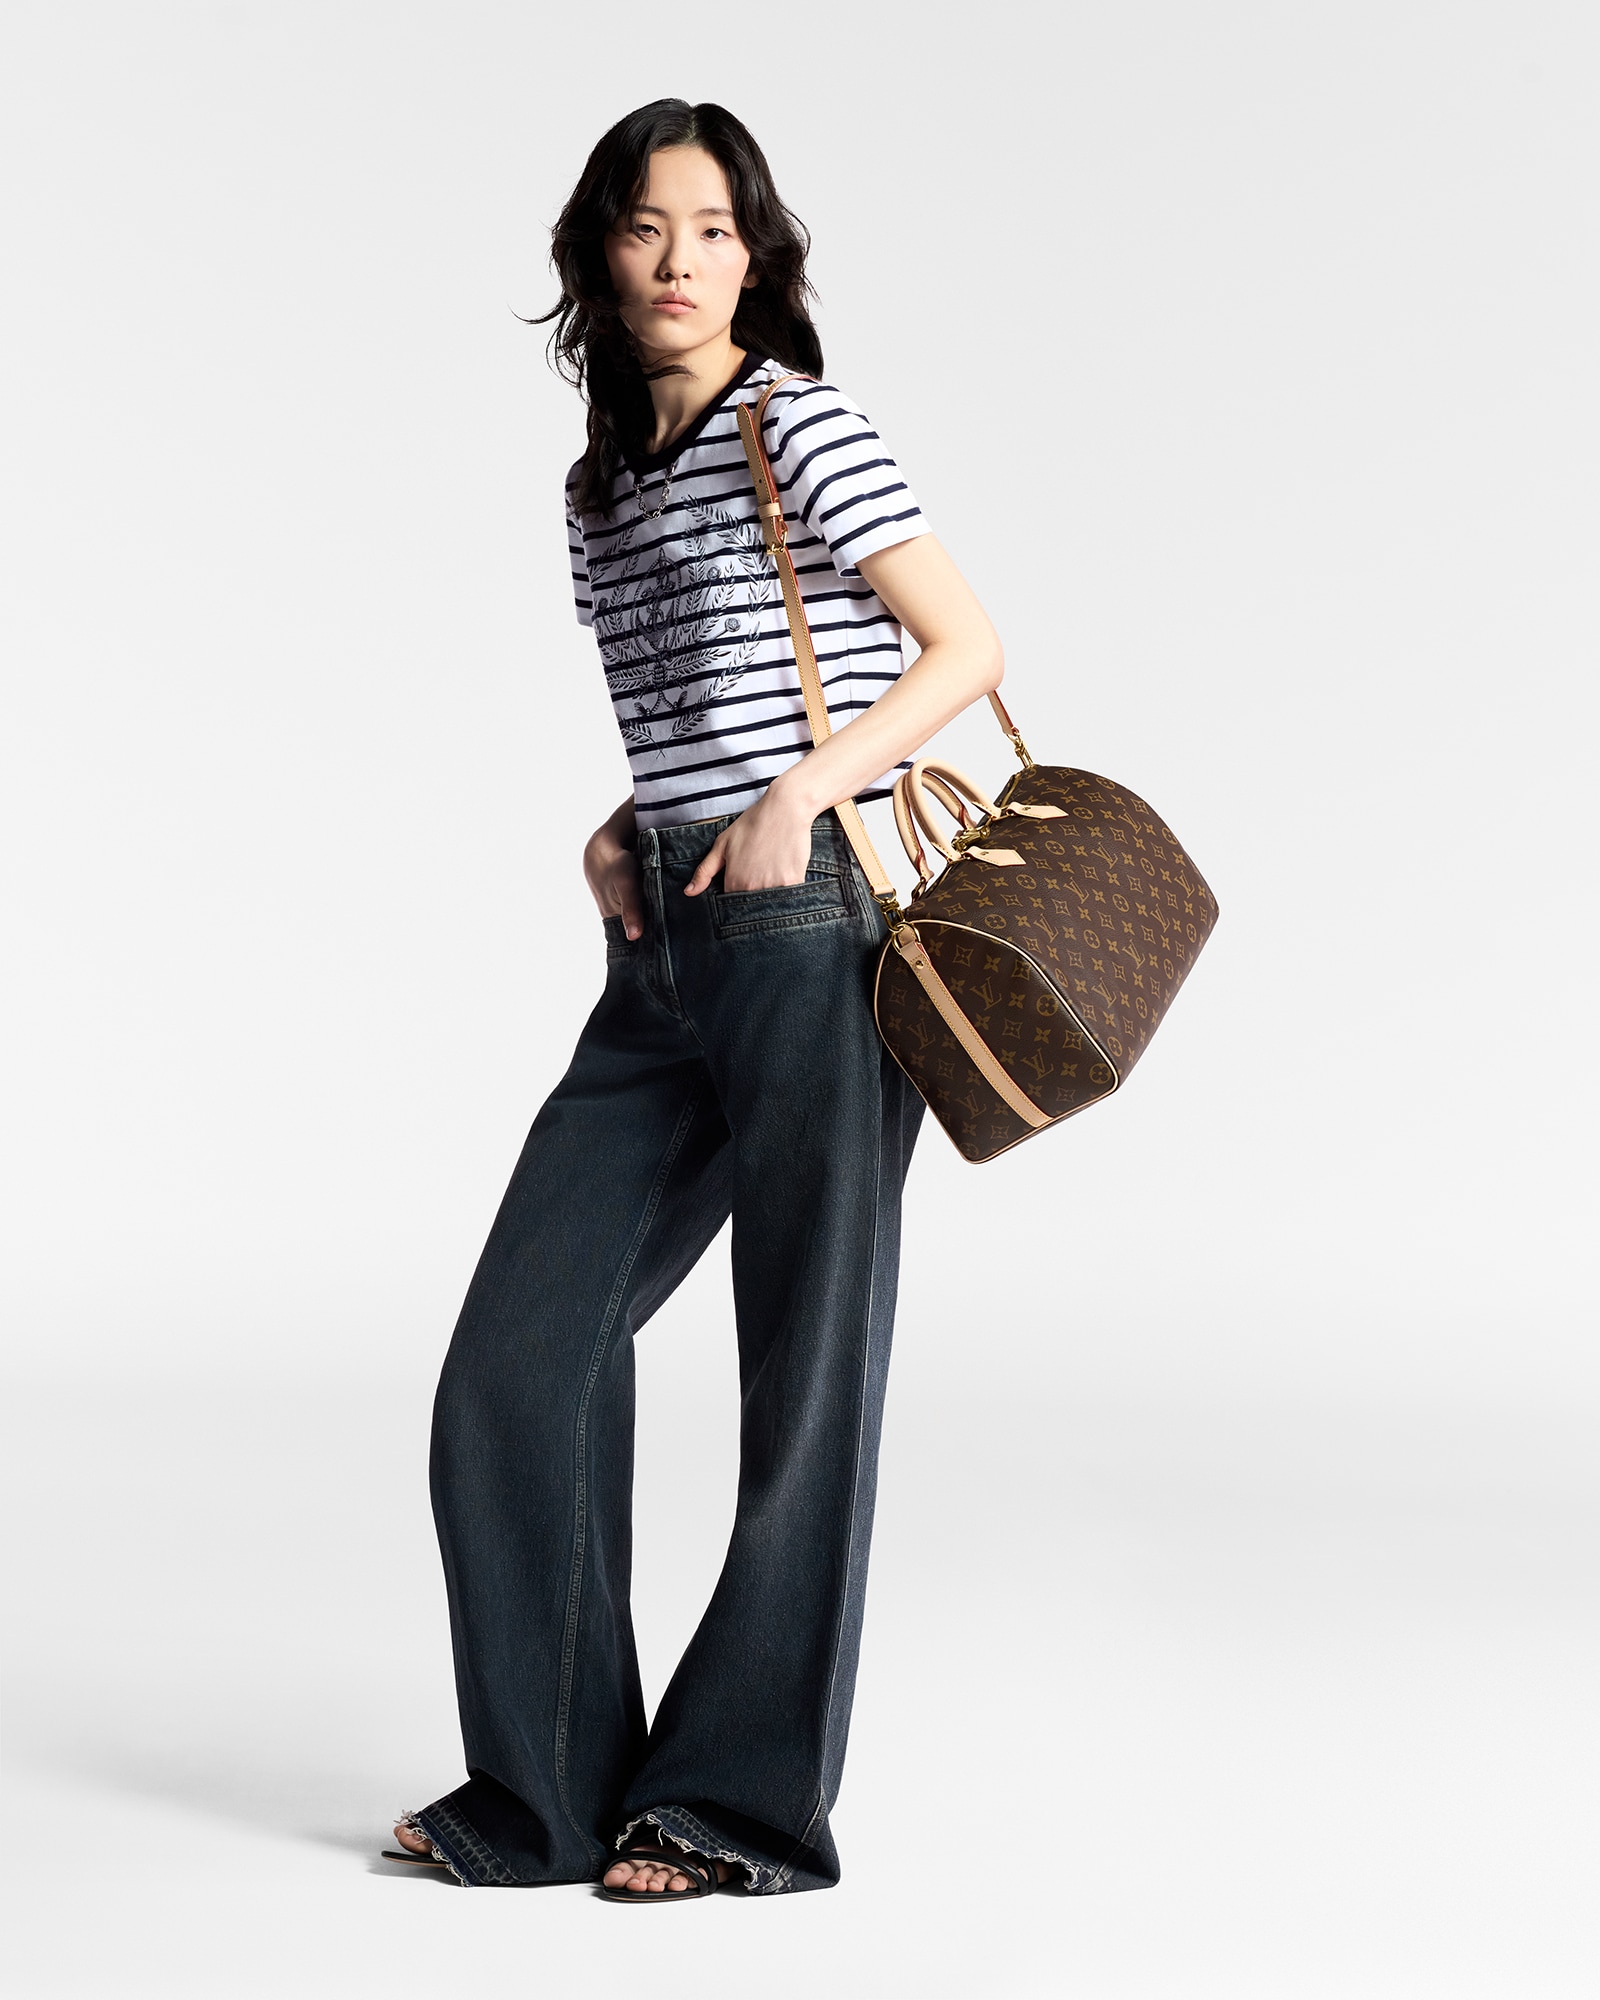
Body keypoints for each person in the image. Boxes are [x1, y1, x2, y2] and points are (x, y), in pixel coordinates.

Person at [387, 97, 1002, 1900]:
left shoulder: (797, 422)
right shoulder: (601, 492)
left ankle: (735, 1807)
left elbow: (965, 646)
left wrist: (802, 794)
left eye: (715, 229)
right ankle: (550, 1794)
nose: (680, 260)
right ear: (599, 251)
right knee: (518, 1356)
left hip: (816, 933)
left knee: (802, 1375)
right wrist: (628, 825)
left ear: (756, 257)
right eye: (648, 226)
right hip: (667, 943)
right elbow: (690, 712)